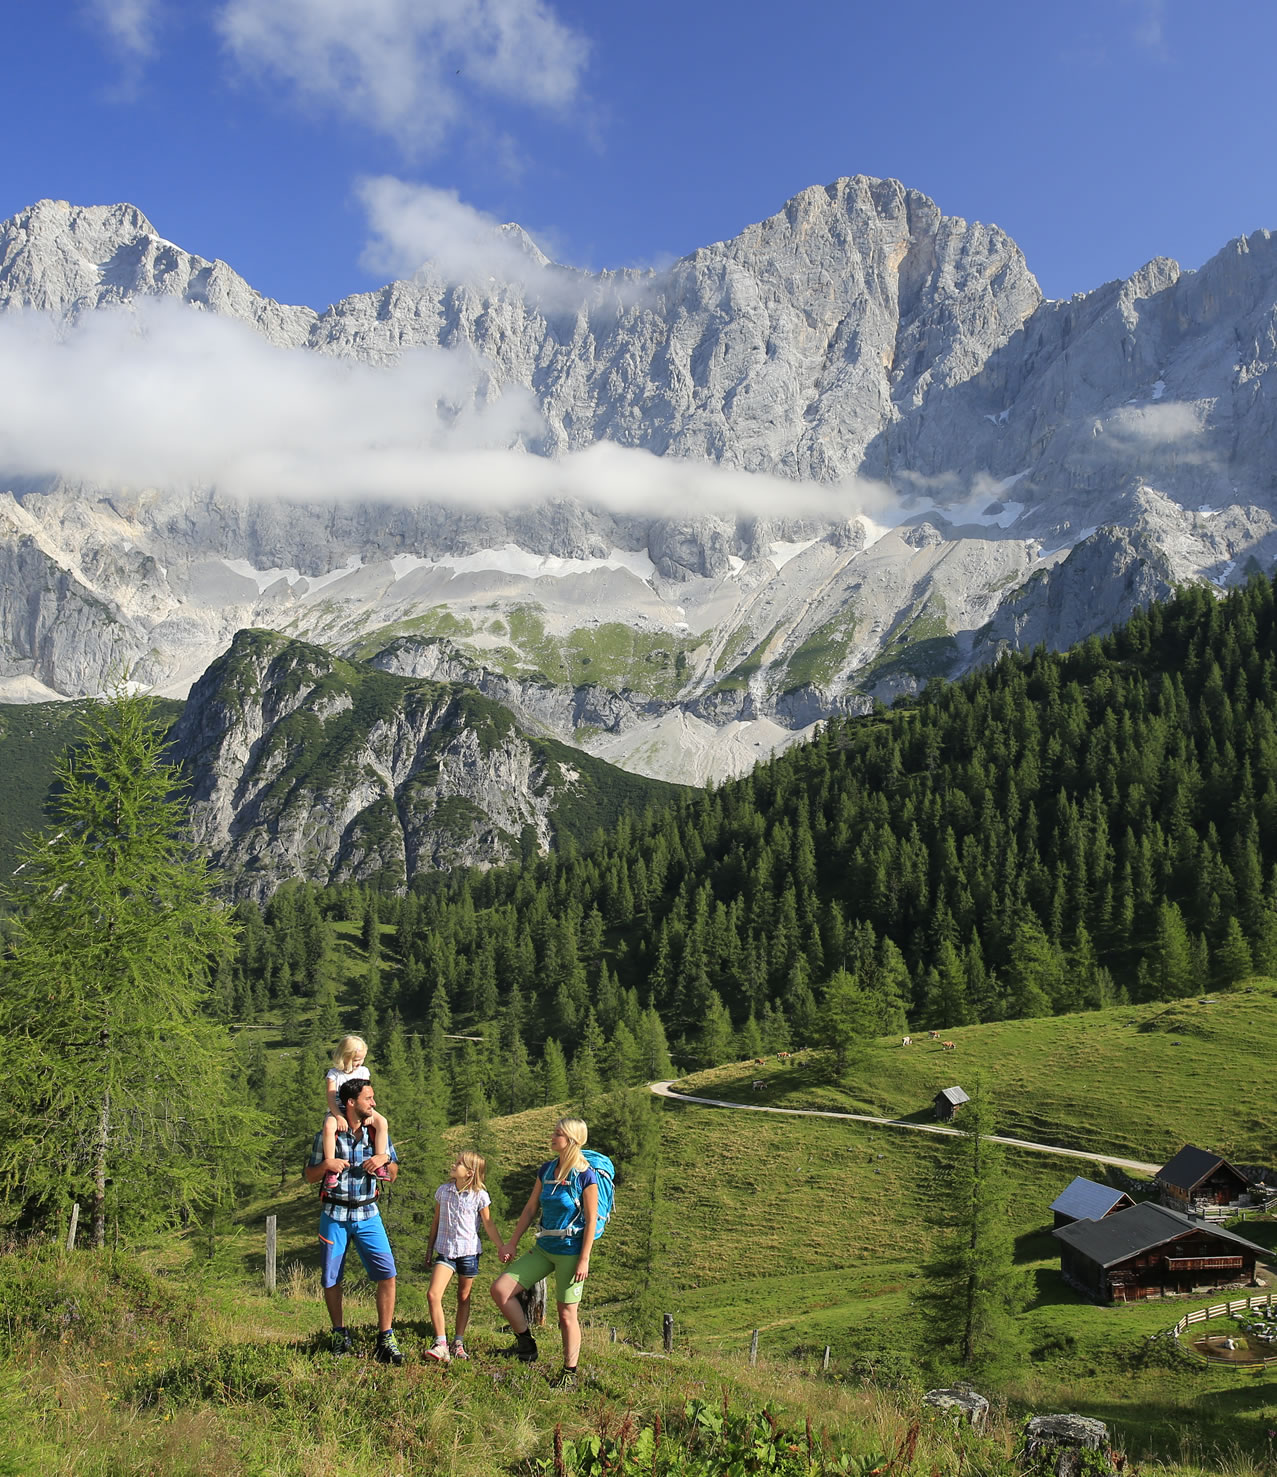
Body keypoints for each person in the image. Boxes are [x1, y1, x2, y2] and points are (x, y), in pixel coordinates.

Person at [491, 1117, 598, 1389]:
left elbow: (591, 1219)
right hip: (544, 1249)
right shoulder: (547, 1169)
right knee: (501, 1290)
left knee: (566, 1315)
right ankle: (526, 1346)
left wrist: (584, 1258)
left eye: (558, 1134)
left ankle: (569, 1373)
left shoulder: (585, 1176)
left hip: (571, 1253)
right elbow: (530, 1209)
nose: (552, 1137)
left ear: (572, 1140)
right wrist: (512, 1243)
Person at [304, 1076, 404, 1365]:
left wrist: (384, 1162)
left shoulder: (376, 1134)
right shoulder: (329, 1134)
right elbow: (309, 1176)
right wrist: (326, 1165)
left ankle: (385, 1336)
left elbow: (394, 1172)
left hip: (368, 1214)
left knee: (387, 1274)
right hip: (334, 1215)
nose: (374, 1103)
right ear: (351, 1103)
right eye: (368, 1099)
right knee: (331, 1278)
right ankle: (338, 1333)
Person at [423, 1150, 505, 1364]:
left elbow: (488, 1224)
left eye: (459, 1163)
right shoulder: (443, 1191)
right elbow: (436, 1221)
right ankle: (441, 1343)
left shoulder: (480, 1196)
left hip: (468, 1252)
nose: (454, 1164)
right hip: (446, 1251)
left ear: (469, 1173)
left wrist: (501, 1247)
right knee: (433, 1294)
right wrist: (429, 1248)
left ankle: (457, 1342)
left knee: (463, 1297)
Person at [321, 1035, 390, 1191]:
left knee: (382, 1122)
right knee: (329, 1127)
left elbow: (366, 1095)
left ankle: (380, 1159)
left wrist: (369, 1113)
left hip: (360, 1107)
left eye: (362, 1059)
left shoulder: (364, 1072)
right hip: (339, 1108)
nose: (360, 1063)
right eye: (357, 1059)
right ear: (345, 1057)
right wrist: (338, 1116)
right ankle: (331, 1167)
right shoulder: (334, 1075)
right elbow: (331, 1098)